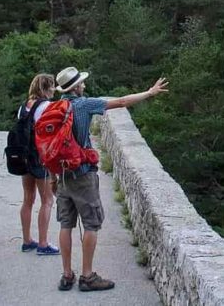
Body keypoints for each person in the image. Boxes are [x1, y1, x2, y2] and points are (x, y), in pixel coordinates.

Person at [53, 66, 169, 292]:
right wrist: (149, 93)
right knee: (91, 224)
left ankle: (67, 275)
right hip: (83, 174)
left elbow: (51, 147)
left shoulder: (55, 107)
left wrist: (52, 176)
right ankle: (87, 277)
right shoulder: (84, 105)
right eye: (82, 83)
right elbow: (122, 102)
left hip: (62, 175)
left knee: (65, 224)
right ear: (76, 87)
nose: (84, 86)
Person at [18, 73, 59, 255]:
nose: (53, 90)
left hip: (24, 157)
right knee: (47, 200)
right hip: (40, 159)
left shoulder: (23, 107)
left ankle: (27, 240)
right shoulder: (46, 106)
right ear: (45, 88)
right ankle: (43, 243)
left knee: (28, 198)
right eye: (51, 87)